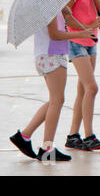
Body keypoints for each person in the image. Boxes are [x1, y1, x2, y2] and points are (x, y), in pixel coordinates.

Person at [9, 10, 95, 161]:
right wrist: (80, 34)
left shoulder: (54, 5)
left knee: (54, 101)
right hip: (51, 55)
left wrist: (81, 26)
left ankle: (24, 136)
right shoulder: (50, 7)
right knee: (57, 100)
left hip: (48, 55)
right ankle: (47, 149)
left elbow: (68, 21)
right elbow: (55, 34)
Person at [64, 0, 100, 151]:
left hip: (92, 42)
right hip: (76, 42)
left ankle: (72, 135)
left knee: (83, 89)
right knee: (92, 88)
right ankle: (89, 136)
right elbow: (66, 18)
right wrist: (87, 26)